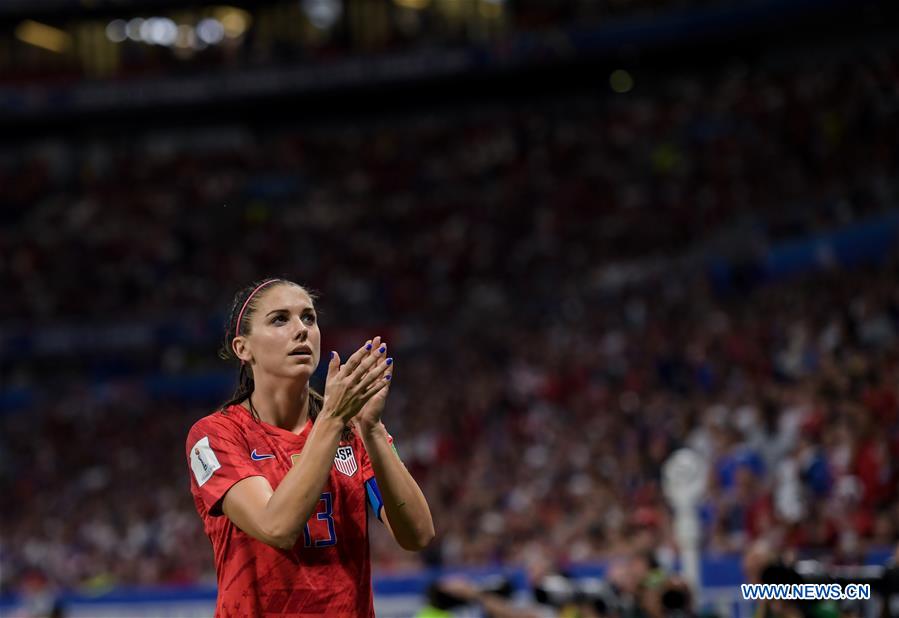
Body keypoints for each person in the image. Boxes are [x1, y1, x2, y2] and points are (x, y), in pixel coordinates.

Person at [185, 277, 435, 617]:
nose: (301, 329)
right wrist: (332, 419)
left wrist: (372, 429)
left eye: (309, 318)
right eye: (279, 319)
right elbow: (276, 527)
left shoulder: (351, 428)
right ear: (243, 348)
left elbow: (418, 535)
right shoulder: (214, 436)